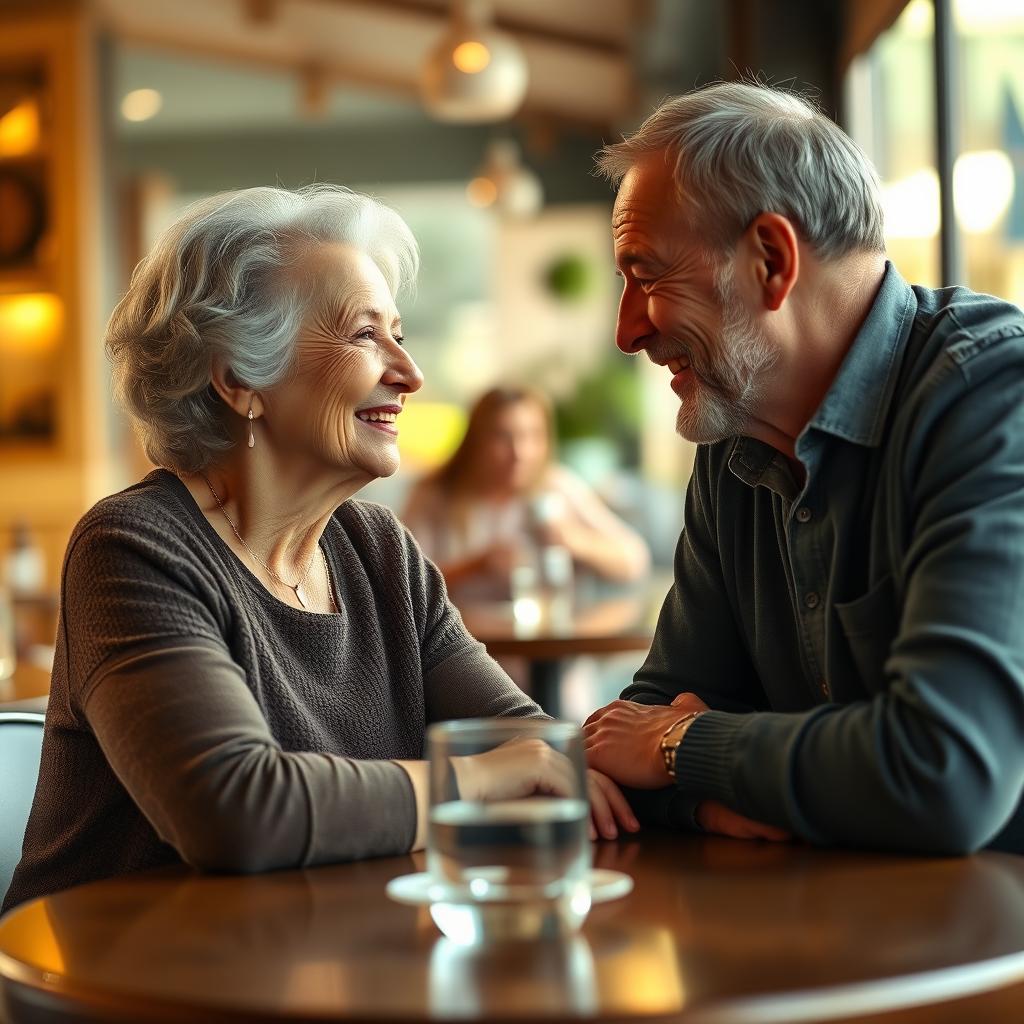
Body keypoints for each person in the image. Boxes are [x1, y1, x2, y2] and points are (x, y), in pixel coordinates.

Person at [2, 186, 635, 912]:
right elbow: (238, 813)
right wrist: (480, 780)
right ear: (241, 378)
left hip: (321, 952)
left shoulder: (379, 551)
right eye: (365, 335)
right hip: (126, 967)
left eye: (400, 334)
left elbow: (533, 748)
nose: (410, 373)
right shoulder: (135, 548)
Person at [582, 81, 1024, 855]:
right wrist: (702, 797)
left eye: (646, 276)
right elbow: (626, 740)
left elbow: (946, 772)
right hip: (839, 914)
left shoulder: (990, 395)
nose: (627, 332)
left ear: (772, 259)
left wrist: (686, 746)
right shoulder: (736, 432)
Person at [402, 386, 650, 603]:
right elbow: (407, 583)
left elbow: (634, 561)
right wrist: (478, 565)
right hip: (459, 637)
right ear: (476, 440)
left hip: (549, 638)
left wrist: (573, 541)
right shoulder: (433, 494)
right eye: (502, 436)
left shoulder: (558, 486)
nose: (519, 453)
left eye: (532, 435)